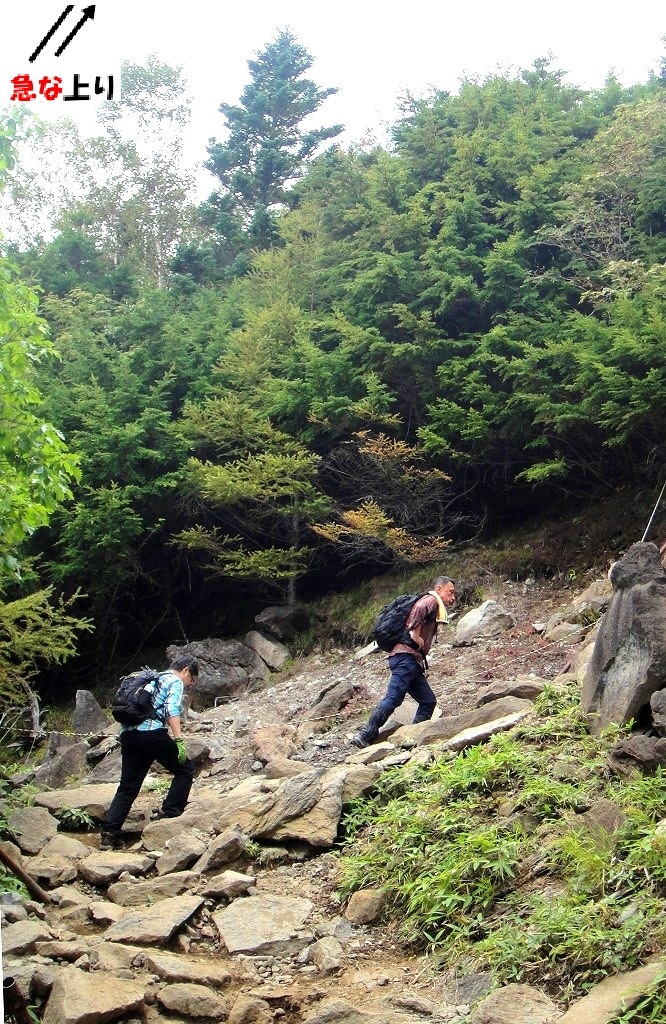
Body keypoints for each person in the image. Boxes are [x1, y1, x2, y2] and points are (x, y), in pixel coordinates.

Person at [100, 654, 198, 850]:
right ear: (186, 670)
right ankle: (169, 814)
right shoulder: (174, 681)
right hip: (151, 733)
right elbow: (171, 709)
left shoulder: (153, 678)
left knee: (128, 786)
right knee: (185, 769)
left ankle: (109, 834)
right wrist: (178, 739)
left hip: (128, 735)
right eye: (191, 680)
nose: (188, 685)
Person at [351, 576, 456, 748]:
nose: (452, 598)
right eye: (450, 593)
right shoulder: (431, 600)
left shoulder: (433, 603)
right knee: (393, 698)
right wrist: (415, 634)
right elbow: (420, 609)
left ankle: (413, 737)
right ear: (439, 589)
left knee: (428, 701)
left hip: (412, 661)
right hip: (405, 658)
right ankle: (365, 735)